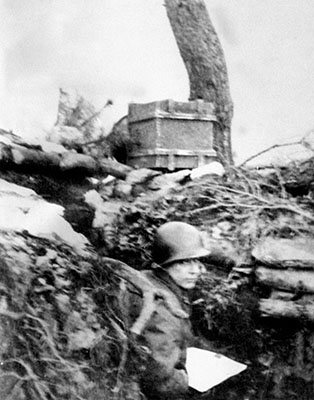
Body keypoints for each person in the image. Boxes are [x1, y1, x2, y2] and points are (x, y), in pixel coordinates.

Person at [121, 221, 211, 400]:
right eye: (184, 263)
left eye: (196, 261)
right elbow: (161, 383)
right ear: (165, 263)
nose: (195, 270)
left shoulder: (150, 279)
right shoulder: (162, 313)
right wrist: (188, 382)